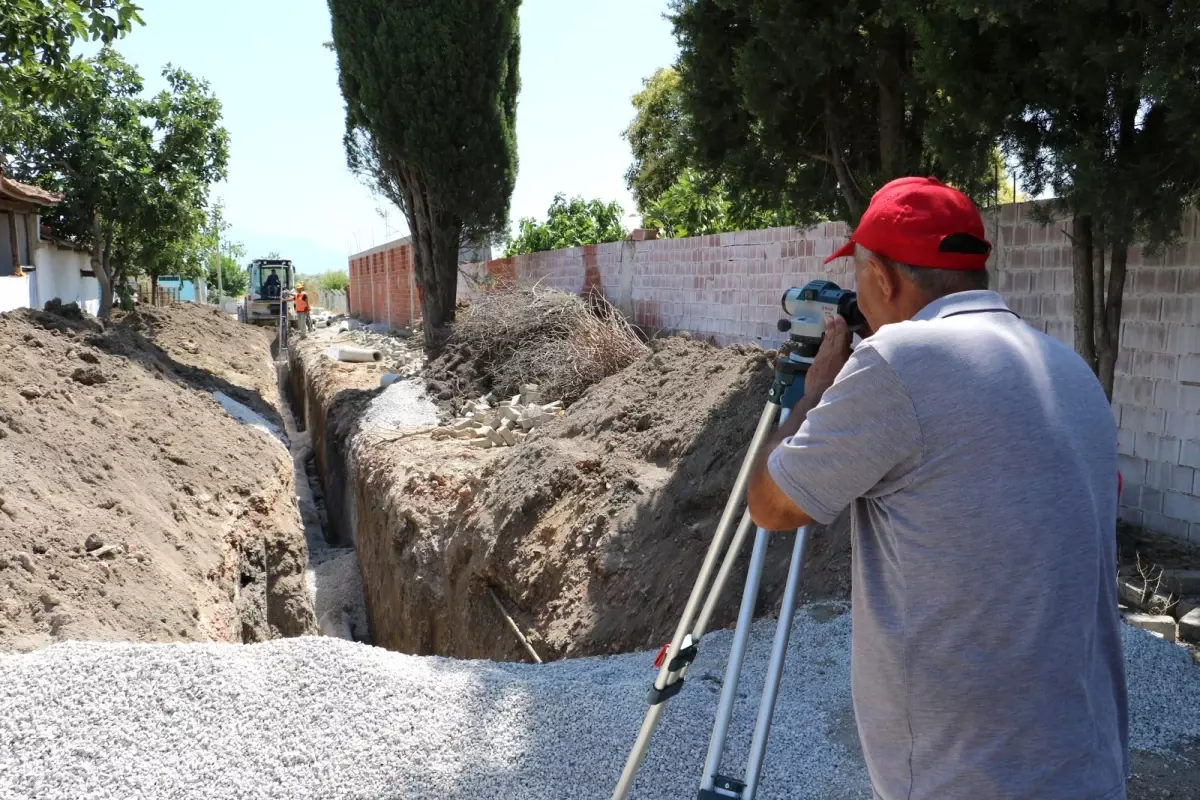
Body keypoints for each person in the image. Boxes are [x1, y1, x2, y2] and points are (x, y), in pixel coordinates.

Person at [747, 176, 1128, 800]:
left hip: (965, 779)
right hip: (1083, 764)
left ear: (883, 277)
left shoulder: (898, 361)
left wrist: (814, 392)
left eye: (862, 279)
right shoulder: (1067, 367)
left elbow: (771, 504)